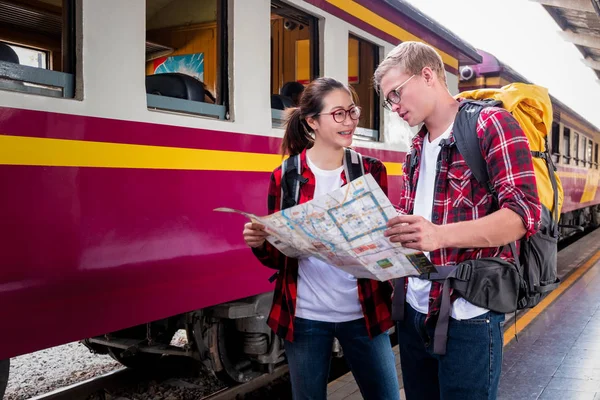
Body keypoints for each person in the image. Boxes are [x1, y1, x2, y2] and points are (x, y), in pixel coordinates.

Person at [373, 42, 541, 400]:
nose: (394, 106)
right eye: (389, 100)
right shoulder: (417, 146)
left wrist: (438, 235)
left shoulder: (491, 124)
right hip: (415, 308)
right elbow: (417, 227)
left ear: (428, 75)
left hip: (468, 314)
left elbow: (523, 214)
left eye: (396, 94)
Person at [243, 77, 400, 400]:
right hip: (305, 317)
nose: (350, 121)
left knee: (386, 395)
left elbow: (383, 241)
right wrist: (261, 243)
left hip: (363, 313)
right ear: (312, 121)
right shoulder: (286, 176)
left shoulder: (370, 171)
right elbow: (278, 258)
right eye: (339, 114)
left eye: (352, 112)